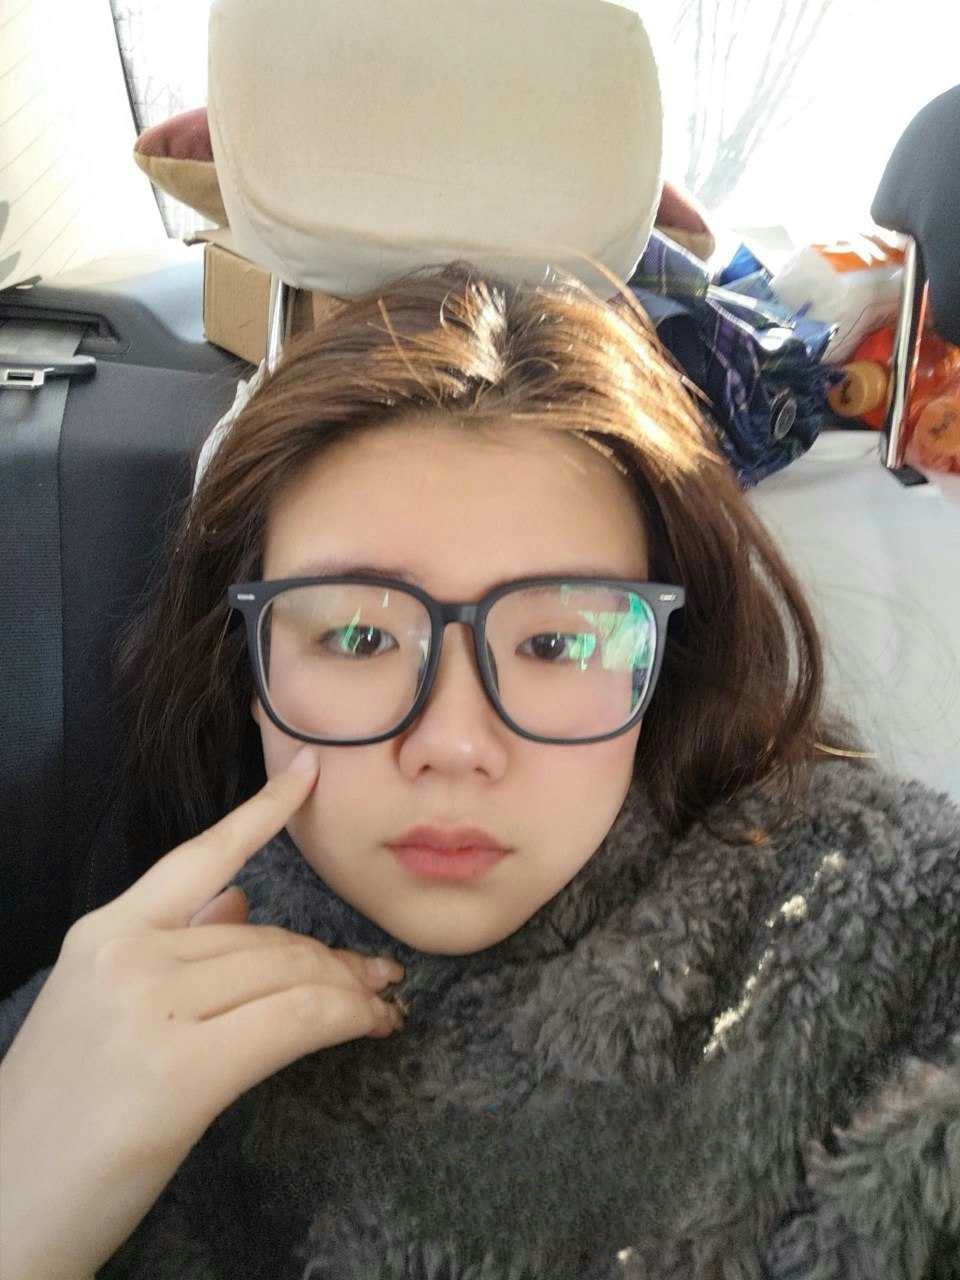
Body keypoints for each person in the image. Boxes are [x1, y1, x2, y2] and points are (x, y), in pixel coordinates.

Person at [1, 260, 958, 1280]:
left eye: (557, 644)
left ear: (661, 670)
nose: (454, 744)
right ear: (250, 670)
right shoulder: (88, 1031)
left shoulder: (900, 934)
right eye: (359, 637)